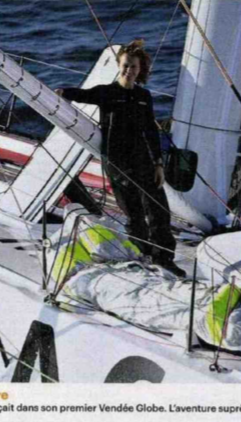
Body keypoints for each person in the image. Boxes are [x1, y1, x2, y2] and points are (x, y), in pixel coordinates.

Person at [56, 40, 186, 277]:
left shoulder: (144, 96)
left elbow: (151, 131)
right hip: (118, 162)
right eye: (126, 65)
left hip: (144, 160)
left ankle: (164, 258)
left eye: (133, 66)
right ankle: (143, 255)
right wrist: (62, 93)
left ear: (140, 69)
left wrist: (158, 164)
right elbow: (83, 95)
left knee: (158, 210)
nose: (129, 70)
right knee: (134, 213)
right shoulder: (107, 92)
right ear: (119, 65)